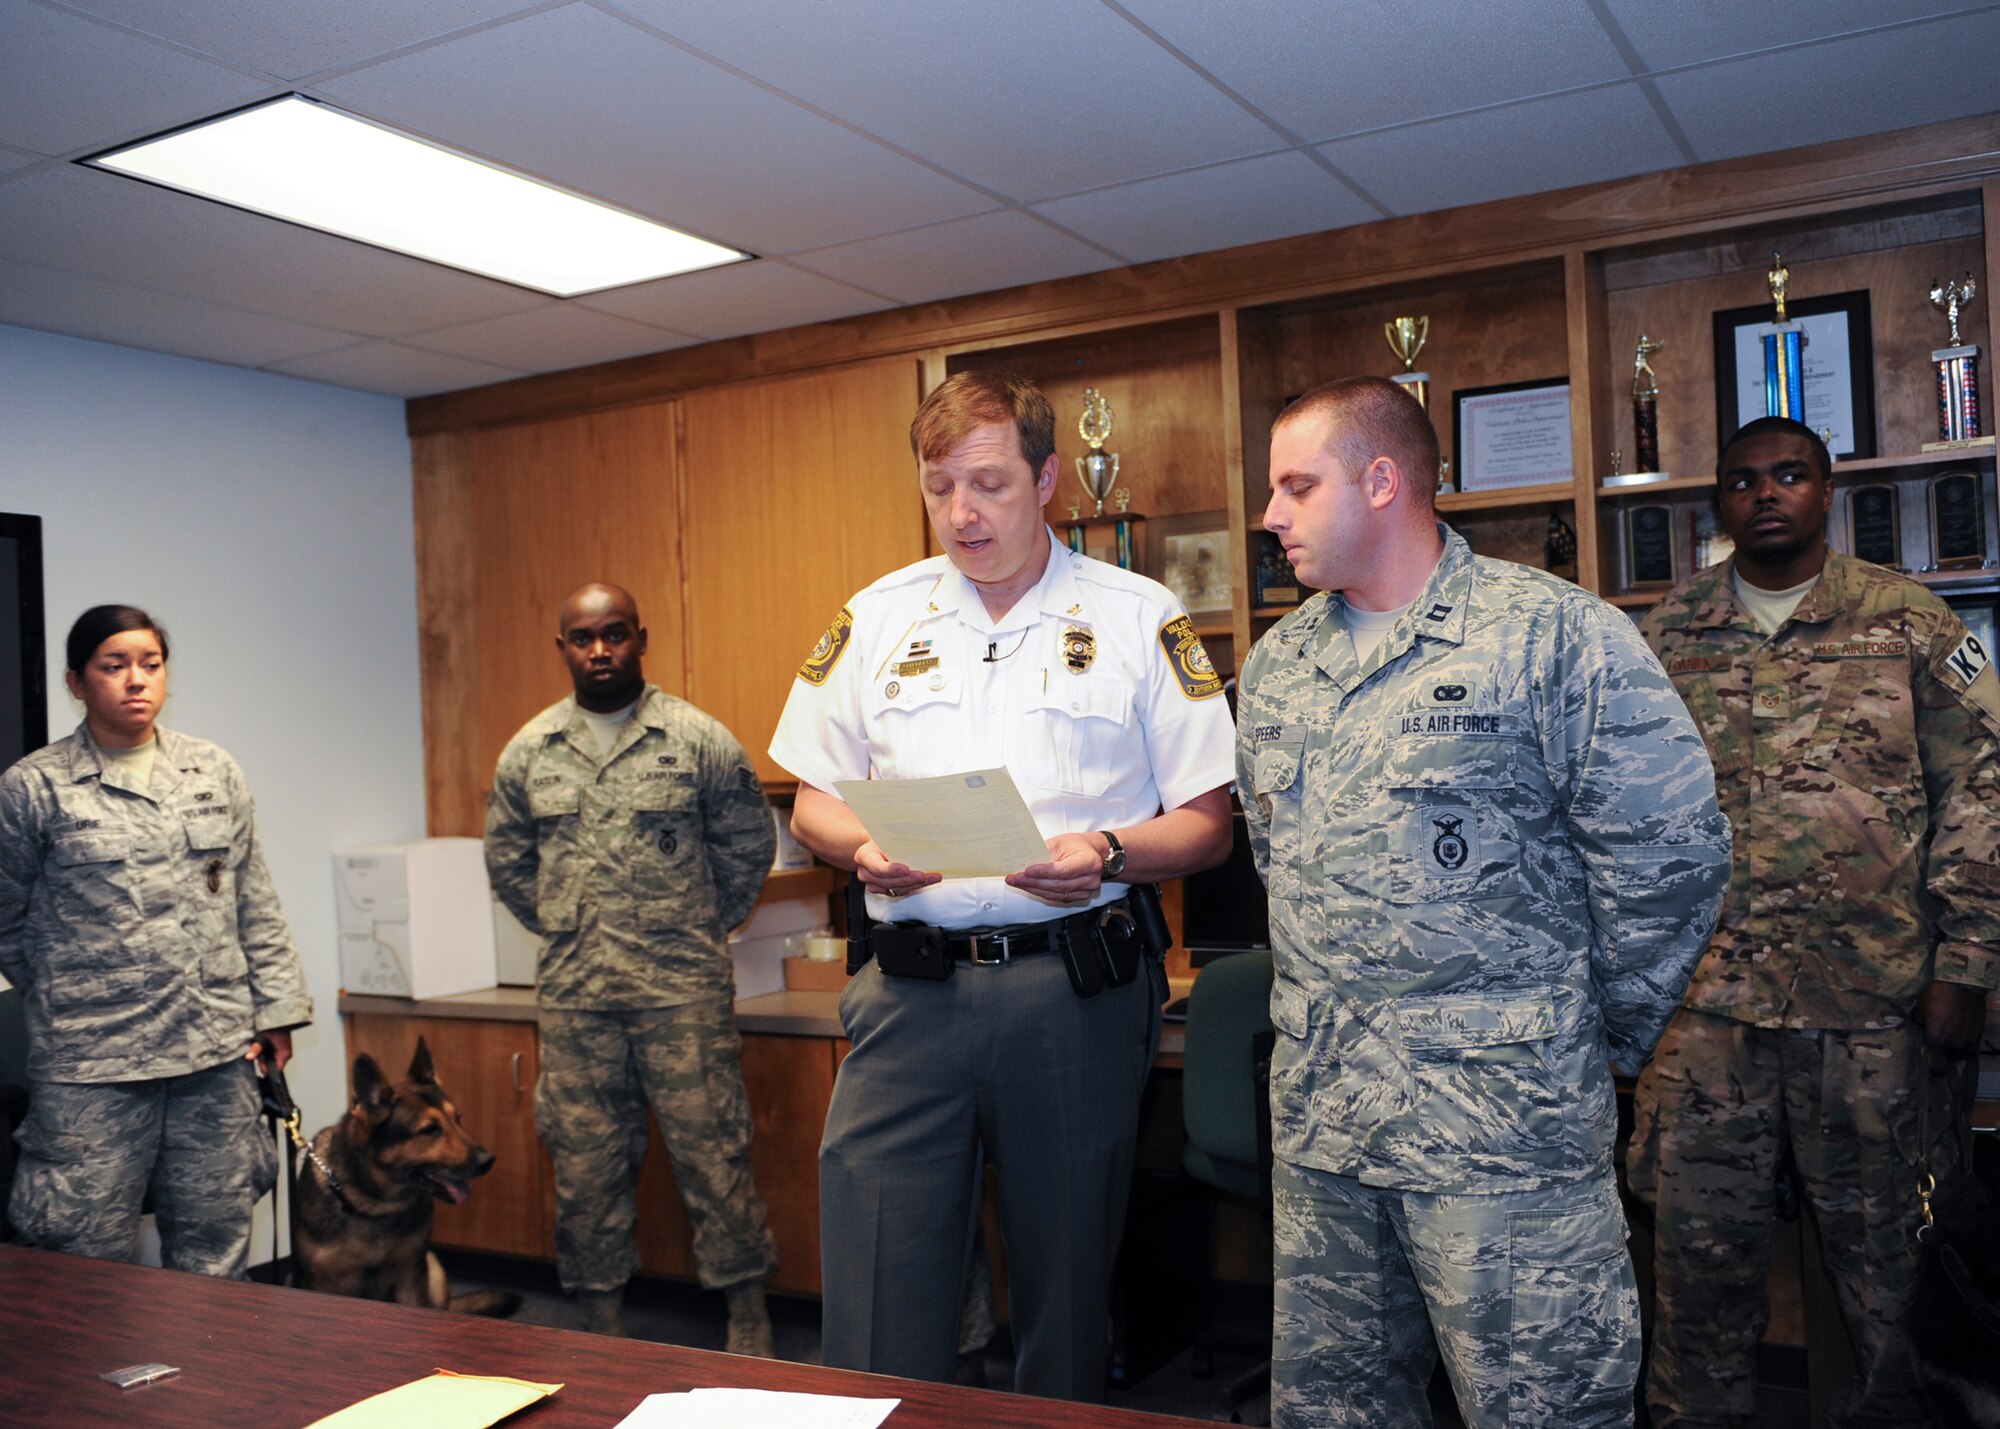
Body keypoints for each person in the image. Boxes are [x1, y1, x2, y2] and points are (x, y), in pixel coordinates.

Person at [1236, 377, 1731, 1427]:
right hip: (1327, 1135)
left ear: (1380, 481)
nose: (1267, 514)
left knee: (1542, 1412)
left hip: (1503, 1143)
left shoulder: (1550, 637)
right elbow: (1278, 861)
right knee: (1334, 1413)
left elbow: (1670, 855)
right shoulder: (1278, 667)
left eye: (1293, 484)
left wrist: (1575, 1039)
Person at [771, 369, 1235, 1402]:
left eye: (987, 483)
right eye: (939, 487)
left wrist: (1107, 852)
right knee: (877, 1280)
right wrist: (862, 848)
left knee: (1063, 1297)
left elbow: (1205, 825)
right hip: (907, 994)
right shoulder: (877, 616)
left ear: (1047, 478)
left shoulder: (1135, 616)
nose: (961, 513)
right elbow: (810, 801)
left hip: (1066, 994)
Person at [1630, 416, 2000, 1429]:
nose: (1764, 494)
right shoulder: (1665, 636)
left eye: (1786, 475)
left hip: (1869, 1013)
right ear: (1719, 503)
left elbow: (1981, 786)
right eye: (1742, 480)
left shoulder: (1908, 623)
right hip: (1704, 1018)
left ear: (1825, 491)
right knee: (1693, 1288)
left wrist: (1963, 964)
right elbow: (1622, 812)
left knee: (1893, 1288)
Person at [484, 582, 780, 1350]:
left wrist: (690, 927)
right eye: (583, 638)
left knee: (714, 1155)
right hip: (577, 997)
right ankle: (597, 1323)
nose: (600, 650)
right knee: (584, 1166)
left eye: (615, 634)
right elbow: (511, 864)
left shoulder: (695, 739)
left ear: (641, 638)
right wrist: (568, 928)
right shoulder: (530, 751)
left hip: (681, 992)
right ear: (563, 648)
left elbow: (748, 847)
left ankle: (747, 1315)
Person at [0, 604, 311, 1277]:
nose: (136, 679)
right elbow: (7, 921)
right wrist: (80, 991)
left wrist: (277, 1010)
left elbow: (252, 895)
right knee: (81, 1251)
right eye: (114, 666)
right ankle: (77, 1386)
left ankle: (208, 1382)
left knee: (215, 1243)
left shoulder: (211, 770)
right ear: (76, 682)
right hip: (94, 1065)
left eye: (150, 663)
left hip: (213, 1054)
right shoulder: (33, 787)